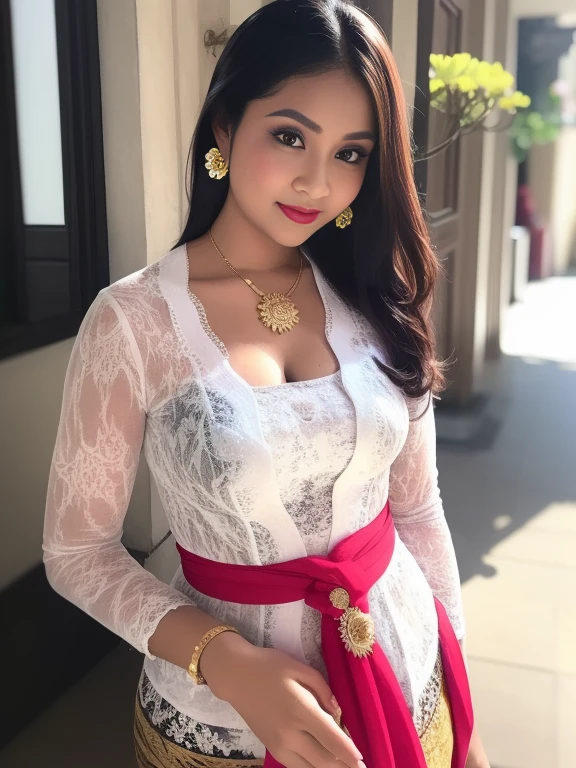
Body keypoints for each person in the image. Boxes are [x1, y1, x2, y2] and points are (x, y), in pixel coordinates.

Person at [43, 1, 490, 766]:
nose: (318, 182)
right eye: (290, 137)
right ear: (224, 126)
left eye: (352, 153)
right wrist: (223, 659)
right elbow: (77, 549)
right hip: (221, 722)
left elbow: (416, 508)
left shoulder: (379, 295)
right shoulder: (134, 321)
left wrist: (455, 685)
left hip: (409, 676)